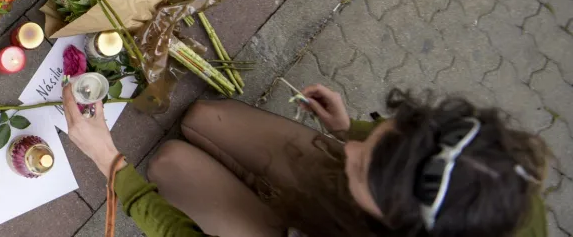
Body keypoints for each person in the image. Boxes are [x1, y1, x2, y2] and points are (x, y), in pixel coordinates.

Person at [61, 83, 549, 237]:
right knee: (206, 116)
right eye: (384, 134)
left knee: (167, 165)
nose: (349, 152)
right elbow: (364, 146)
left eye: (359, 164)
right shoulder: (497, 181)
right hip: (349, 210)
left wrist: (111, 166)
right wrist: (347, 128)